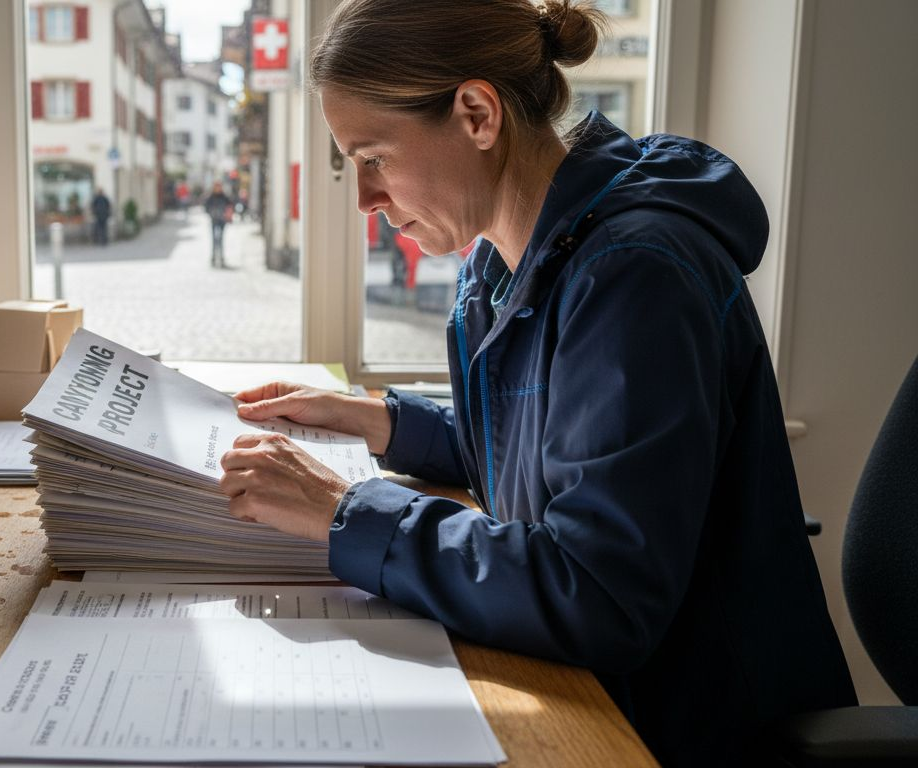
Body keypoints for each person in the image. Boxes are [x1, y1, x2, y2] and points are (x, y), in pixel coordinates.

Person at [216, 1, 856, 764]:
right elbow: (539, 446)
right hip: (602, 695)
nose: (365, 201)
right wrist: (376, 419)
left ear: (477, 114)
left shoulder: (636, 277)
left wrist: (343, 512)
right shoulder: (501, 261)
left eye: (374, 157)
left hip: (680, 731)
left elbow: (598, 592)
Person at [204, 181, 232, 268]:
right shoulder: (210, 197)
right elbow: (206, 208)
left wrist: (226, 215)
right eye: (216, 186)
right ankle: (213, 258)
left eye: (219, 186)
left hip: (222, 221)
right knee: (214, 239)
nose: (218, 188)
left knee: (220, 240)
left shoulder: (224, 197)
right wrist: (212, 214)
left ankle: (221, 258)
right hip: (214, 220)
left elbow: (229, 206)